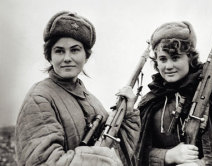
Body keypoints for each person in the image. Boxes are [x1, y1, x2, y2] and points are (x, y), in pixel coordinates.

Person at [15, 11, 140, 166]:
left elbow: (121, 151)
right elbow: (41, 161)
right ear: (49, 56)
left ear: (86, 56)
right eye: (59, 51)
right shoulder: (39, 98)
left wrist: (127, 114)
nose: (67, 58)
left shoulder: (92, 100)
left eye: (75, 50)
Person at [134, 21, 212, 166]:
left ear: (190, 57)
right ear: (156, 61)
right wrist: (167, 156)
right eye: (163, 59)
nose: (169, 66)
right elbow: (133, 154)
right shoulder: (150, 102)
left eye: (175, 57)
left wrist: (201, 164)